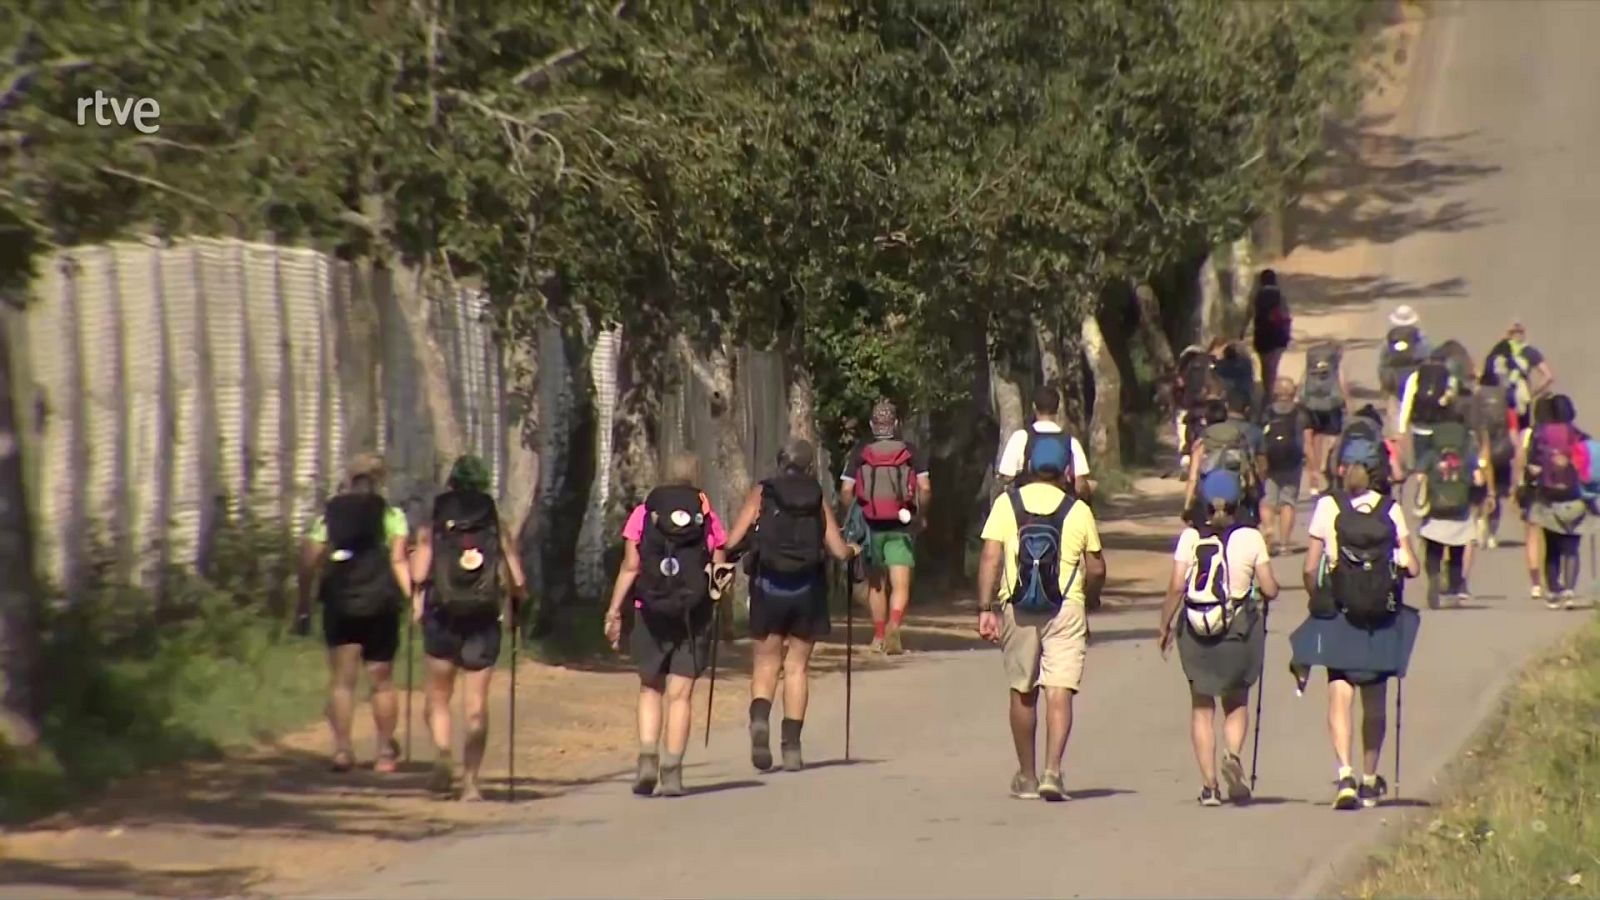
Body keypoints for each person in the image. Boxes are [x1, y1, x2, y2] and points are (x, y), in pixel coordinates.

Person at [976, 431, 1105, 802]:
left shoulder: (1007, 504)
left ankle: (1027, 775)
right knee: (1059, 690)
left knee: (1023, 689)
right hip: (1065, 605)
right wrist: (1090, 599)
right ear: (1065, 469)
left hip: (1018, 607)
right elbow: (1095, 567)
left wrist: (985, 608)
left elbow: (990, 556)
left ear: (1029, 466)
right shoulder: (1078, 510)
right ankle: (1053, 771)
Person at [723, 440, 859, 773]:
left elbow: (731, 540)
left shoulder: (763, 492)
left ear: (781, 462)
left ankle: (759, 720)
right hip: (807, 589)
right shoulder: (815, 496)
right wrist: (852, 551)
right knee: (797, 666)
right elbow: (838, 550)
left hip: (769, 586)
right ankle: (793, 747)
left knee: (766, 663)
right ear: (810, 465)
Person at [603, 452, 729, 797]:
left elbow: (631, 566)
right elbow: (719, 566)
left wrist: (614, 609)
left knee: (650, 688)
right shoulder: (707, 515)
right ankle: (672, 772)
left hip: (650, 610)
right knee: (681, 696)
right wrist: (720, 607)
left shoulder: (643, 513)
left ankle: (647, 759)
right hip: (694, 613)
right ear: (696, 477)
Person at [1298, 457, 1421, 810]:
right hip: (1380, 615)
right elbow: (1412, 566)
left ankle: (1345, 773)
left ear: (1342, 472)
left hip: (1341, 611)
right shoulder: (1390, 510)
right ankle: (1370, 779)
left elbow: (1309, 567)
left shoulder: (1327, 507)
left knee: (1340, 694)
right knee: (1375, 701)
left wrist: (1319, 601)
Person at [1157, 468, 1280, 806]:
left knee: (1201, 707)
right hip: (1237, 628)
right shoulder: (1251, 537)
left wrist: (1164, 624)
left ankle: (1209, 787)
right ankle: (1233, 755)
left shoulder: (1189, 537)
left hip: (1196, 628)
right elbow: (1269, 587)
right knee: (1236, 701)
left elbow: (1177, 585)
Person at [409, 454, 527, 800]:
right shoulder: (494, 520)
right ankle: (471, 783)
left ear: (452, 483)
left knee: (439, 697)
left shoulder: (435, 518)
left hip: (442, 614)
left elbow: (418, 573)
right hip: (482, 617)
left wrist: (418, 589)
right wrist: (518, 602)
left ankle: (443, 757)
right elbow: (517, 577)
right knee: (476, 704)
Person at [295, 453, 412, 773]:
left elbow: (308, 561)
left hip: (340, 601)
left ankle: (343, 751)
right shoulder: (392, 515)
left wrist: (303, 602)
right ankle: (385, 753)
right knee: (382, 681)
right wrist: (414, 598)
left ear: (349, 478)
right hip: (380, 604)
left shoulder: (329, 515)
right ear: (380, 480)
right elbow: (399, 560)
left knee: (342, 681)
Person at [840, 399, 931, 655]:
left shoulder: (860, 452)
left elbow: (846, 491)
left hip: (869, 526)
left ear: (872, 424)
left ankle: (879, 637)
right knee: (900, 584)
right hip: (901, 525)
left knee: (875, 584)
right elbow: (925, 489)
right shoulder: (911, 451)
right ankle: (894, 626)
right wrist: (920, 515)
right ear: (897, 424)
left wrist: (857, 513)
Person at [1521, 395, 1593, 609]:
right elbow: (1588, 466)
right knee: (1571, 546)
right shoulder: (1579, 436)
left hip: (1548, 497)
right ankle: (1570, 590)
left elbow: (1532, 466)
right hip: (1574, 497)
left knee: (1551, 547)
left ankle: (1552, 590)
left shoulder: (1540, 435)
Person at [1413, 402, 1485, 608]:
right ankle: (1454, 587)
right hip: (1460, 509)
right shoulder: (1466, 448)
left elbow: (1419, 476)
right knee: (1457, 551)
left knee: (1433, 548)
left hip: (1436, 508)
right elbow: (1478, 478)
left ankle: (1434, 575)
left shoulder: (1432, 449)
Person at [996, 384, 1093, 499]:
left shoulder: (1021, 437)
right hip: (1060, 508)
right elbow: (1080, 487)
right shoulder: (1071, 442)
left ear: (1034, 407)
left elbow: (1006, 477)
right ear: (1057, 408)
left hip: (1026, 506)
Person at [1184, 395, 1264, 527]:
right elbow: (1248, 472)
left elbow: (1193, 478)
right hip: (1236, 494)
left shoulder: (1203, 441)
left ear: (1207, 418)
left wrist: (1187, 507)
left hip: (1207, 497)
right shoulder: (1237, 437)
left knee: (1200, 528)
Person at [1260, 377, 1312, 554]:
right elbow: (1308, 442)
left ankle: (1268, 528)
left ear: (1276, 393)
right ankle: (1284, 544)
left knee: (1267, 501)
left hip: (1270, 462)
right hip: (1292, 463)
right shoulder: (1300, 413)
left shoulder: (1267, 412)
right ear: (1293, 393)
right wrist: (1314, 469)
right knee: (1287, 503)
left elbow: (1260, 437)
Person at [1484, 320, 1556, 439]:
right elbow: (1548, 376)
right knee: (1523, 437)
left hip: (1501, 400)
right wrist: (1532, 393)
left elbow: (1487, 373)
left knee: (1502, 436)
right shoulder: (1530, 351)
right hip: (1522, 400)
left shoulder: (1499, 351)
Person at [1471, 371, 1516, 548]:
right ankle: (1492, 534)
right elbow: (1513, 432)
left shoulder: (1475, 401)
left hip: (1479, 451)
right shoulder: (1505, 400)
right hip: (1501, 452)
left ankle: (1478, 526)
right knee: (1495, 493)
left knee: (1476, 493)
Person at [1300, 341, 1349, 496]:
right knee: (1331, 438)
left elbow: (1302, 384)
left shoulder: (1311, 365)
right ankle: (1323, 466)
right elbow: (1342, 384)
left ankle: (1313, 480)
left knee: (1309, 441)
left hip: (1309, 406)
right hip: (1331, 406)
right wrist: (1348, 404)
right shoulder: (1334, 367)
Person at [1378, 306, 1429, 423]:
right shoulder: (1420, 337)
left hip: (1394, 380)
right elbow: (1427, 356)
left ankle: (1397, 433)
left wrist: (1384, 385)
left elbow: (1383, 362)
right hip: (1414, 378)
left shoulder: (1390, 338)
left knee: (1395, 410)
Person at [1249, 269, 1294, 399]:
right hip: (1277, 335)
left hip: (1261, 334)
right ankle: (1269, 394)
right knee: (1273, 364)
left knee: (1264, 365)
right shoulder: (1279, 295)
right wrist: (1288, 331)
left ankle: (1267, 390)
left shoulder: (1256, 295)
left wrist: (1242, 330)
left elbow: (1249, 313)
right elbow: (1285, 315)